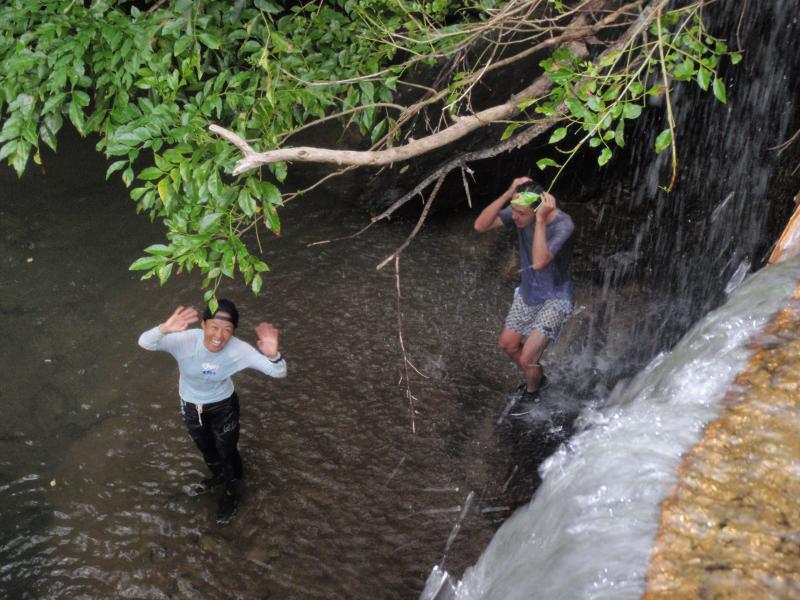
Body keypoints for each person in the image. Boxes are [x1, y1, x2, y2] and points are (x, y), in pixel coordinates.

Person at [137, 299, 287, 524]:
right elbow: (145, 342)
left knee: (226, 450)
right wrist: (163, 329)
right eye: (214, 327)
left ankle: (232, 491)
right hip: (191, 405)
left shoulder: (239, 350)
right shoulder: (185, 341)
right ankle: (218, 478)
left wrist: (274, 354)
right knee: (206, 449)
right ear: (204, 325)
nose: (220, 336)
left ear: (233, 332)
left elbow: (278, 372)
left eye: (227, 330)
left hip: (223, 406)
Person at [474, 176, 574, 402]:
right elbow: (481, 225)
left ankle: (533, 392)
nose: (515, 217)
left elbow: (540, 262)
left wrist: (539, 221)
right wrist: (509, 193)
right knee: (507, 345)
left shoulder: (563, 224)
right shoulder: (520, 212)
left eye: (521, 213)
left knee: (528, 357)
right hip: (530, 292)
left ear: (538, 210)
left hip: (556, 298)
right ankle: (539, 377)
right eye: (513, 211)